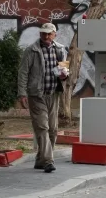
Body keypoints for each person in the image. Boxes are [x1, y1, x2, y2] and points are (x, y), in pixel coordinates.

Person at [17, 23, 68, 173]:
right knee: (42, 127)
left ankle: (41, 160)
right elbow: (23, 73)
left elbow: (64, 70)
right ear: (40, 34)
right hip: (36, 95)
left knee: (53, 129)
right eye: (43, 33)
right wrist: (22, 94)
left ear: (54, 35)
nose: (46, 36)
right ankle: (48, 161)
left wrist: (65, 75)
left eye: (49, 34)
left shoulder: (60, 49)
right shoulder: (31, 51)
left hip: (53, 94)